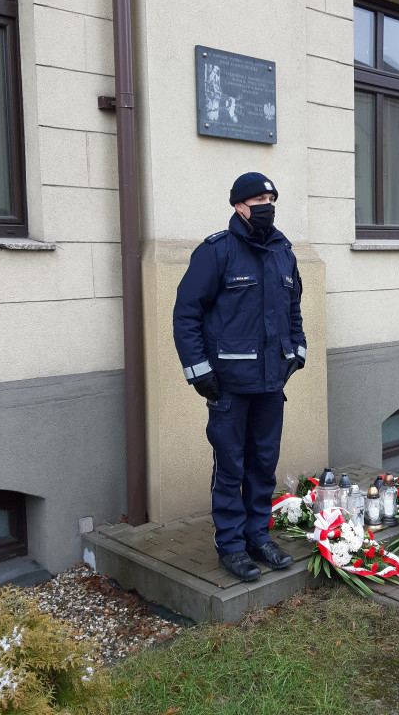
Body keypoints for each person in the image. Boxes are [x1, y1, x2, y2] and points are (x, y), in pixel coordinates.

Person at [173, 172, 306, 582]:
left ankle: (258, 538)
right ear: (238, 206)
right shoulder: (216, 251)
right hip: (229, 385)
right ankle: (231, 546)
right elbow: (186, 314)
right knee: (231, 467)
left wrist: (297, 352)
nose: (267, 206)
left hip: (270, 384)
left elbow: (294, 311)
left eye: (271, 199)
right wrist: (199, 372)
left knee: (263, 465)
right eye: (259, 200)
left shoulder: (283, 252)